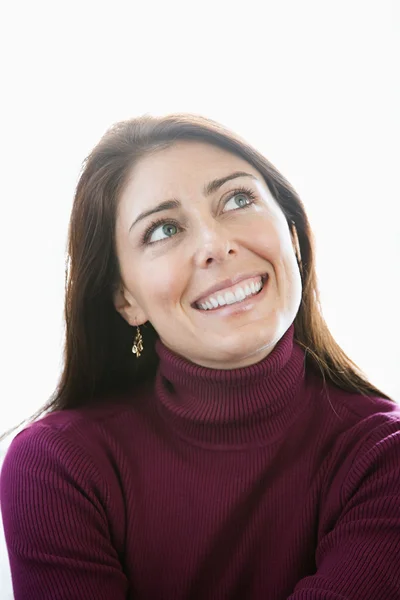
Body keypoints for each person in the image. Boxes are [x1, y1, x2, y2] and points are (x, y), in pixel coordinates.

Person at [0, 114, 399, 600]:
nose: (215, 245)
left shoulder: (384, 457)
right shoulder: (60, 466)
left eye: (237, 199)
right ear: (125, 299)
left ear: (291, 234)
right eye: (163, 229)